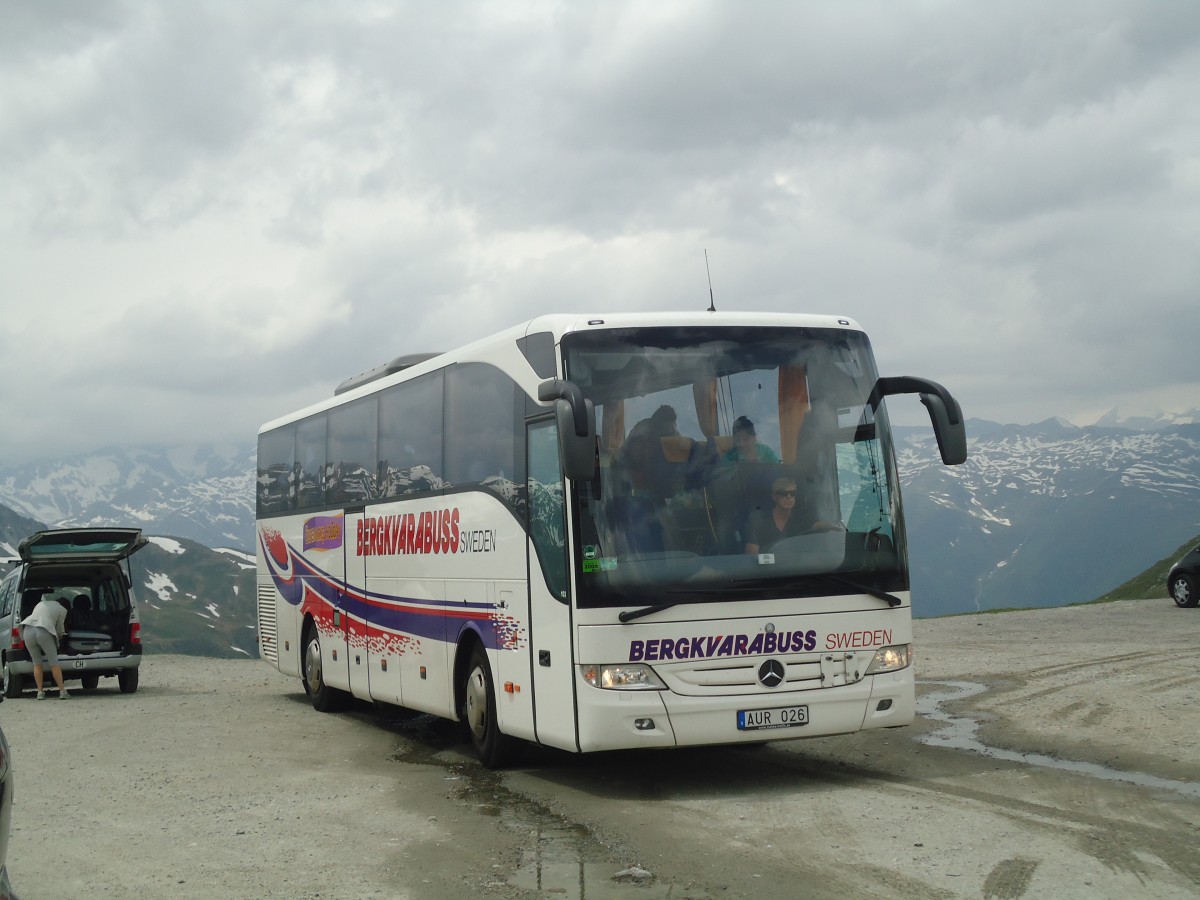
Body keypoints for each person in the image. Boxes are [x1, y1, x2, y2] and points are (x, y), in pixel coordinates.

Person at [20, 595, 71, 699]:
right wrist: (60, 638)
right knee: (54, 663)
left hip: (27, 630)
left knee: (37, 664)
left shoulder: (41, 603)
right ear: (66, 606)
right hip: (43, 630)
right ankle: (62, 691)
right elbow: (60, 629)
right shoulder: (62, 610)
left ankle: (40, 692)